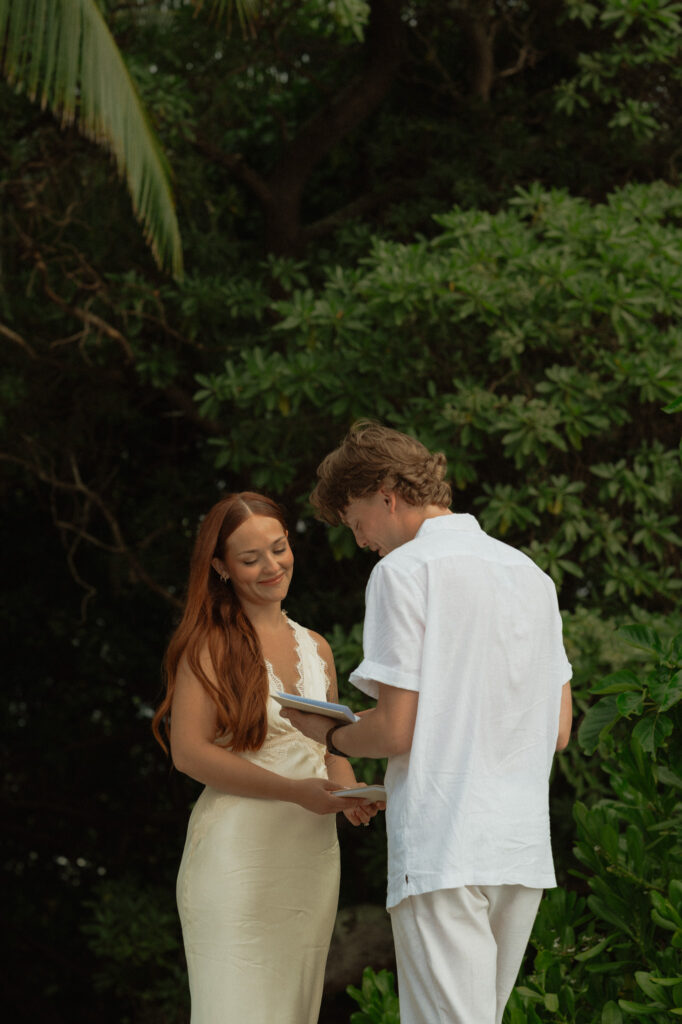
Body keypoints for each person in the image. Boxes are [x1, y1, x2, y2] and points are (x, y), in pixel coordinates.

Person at [282, 423, 573, 1024]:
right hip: (518, 849)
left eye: (355, 519)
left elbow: (394, 731)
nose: (359, 539)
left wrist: (328, 733)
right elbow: (560, 729)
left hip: (444, 845)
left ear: (386, 493)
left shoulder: (403, 572)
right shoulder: (531, 575)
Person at [152, 492, 379, 1024]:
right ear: (221, 568)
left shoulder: (316, 647)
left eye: (278, 549)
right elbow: (189, 753)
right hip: (237, 859)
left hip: (309, 860)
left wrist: (348, 797)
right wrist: (293, 792)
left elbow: (327, 747)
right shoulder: (208, 644)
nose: (272, 566)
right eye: (251, 559)